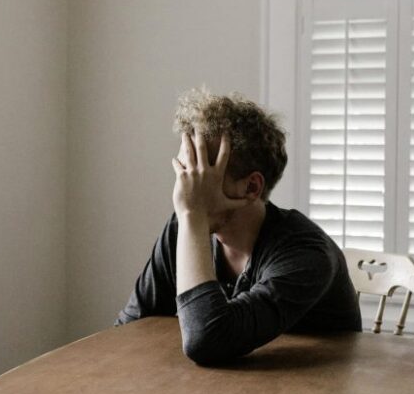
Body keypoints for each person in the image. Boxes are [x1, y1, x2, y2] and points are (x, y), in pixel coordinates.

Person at [117, 88, 362, 365]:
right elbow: (129, 328)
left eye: (200, 174)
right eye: (184, 172)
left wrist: (193, 215)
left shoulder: (307, 253)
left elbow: (207, 341)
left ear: (251, 187)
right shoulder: (184, 227)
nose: (184, 190)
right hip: (227, 385)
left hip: (318, 387)